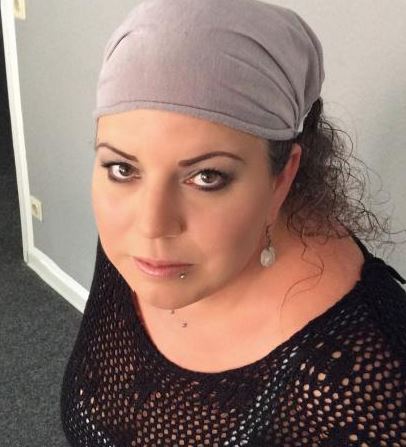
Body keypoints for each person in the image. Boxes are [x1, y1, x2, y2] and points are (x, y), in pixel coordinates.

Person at [60, 0, 406, 445]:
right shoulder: (138, 247)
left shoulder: (364, 384)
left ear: (283, 177)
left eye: (207, 177)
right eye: (123, 169)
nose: (150, 225)